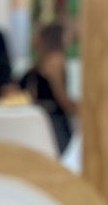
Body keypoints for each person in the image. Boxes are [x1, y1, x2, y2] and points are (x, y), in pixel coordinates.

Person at [19, 23, 78, 155]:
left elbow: (61, 97)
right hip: (50, 124)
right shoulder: (52, 61)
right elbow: (62, 97)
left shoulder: (50, 61)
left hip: (47, 124)